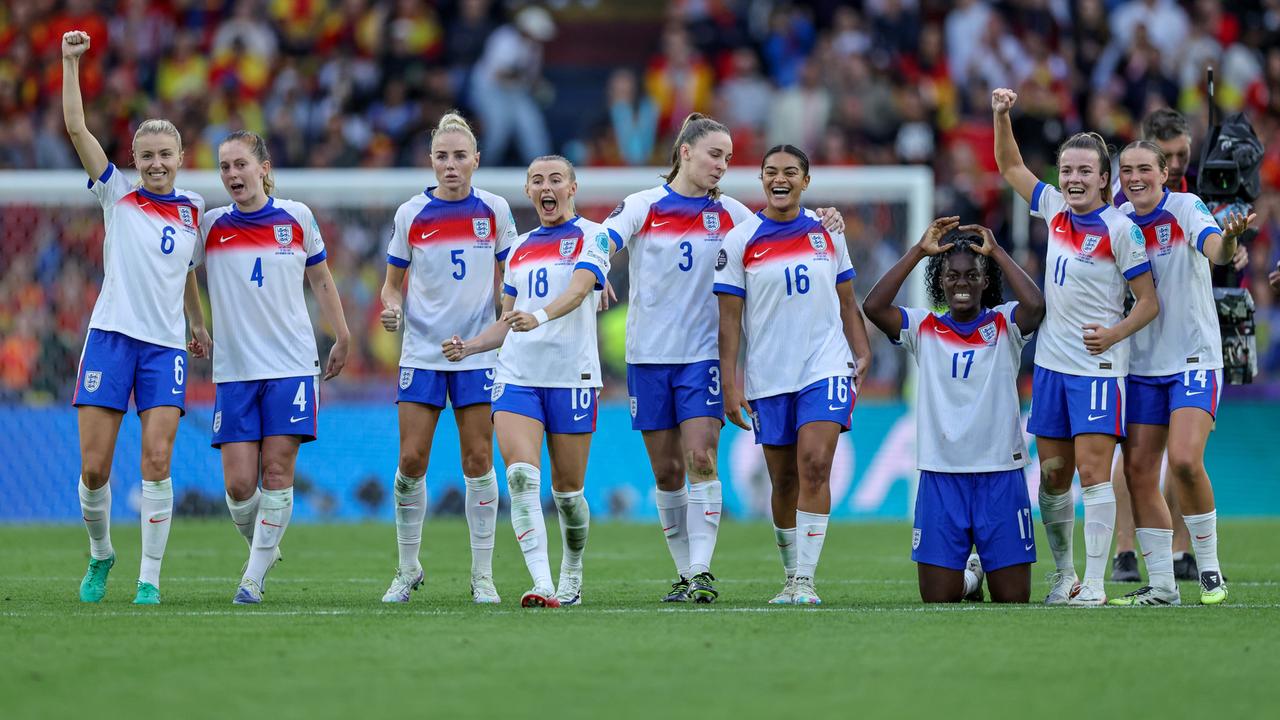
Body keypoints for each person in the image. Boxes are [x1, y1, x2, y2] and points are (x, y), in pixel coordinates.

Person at [601, 113, 845, 603]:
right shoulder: (645, 205)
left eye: (729, 159)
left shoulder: (732, 214)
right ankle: (683, 572)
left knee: (701, 457)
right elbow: (605, 237)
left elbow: (784, 226)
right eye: (715, 154)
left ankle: (700, 571)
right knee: (666, 473)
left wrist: (826, 220)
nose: (722, 165)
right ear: (685, 151)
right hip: (648, 357)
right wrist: (596, 265)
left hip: (702, 358)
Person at [992, 87, 1159, 606]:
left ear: (1105, 178)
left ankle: (1096, 583)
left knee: (1092, 474)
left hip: (1097, 370)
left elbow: (1149, 302)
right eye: (1067, 170)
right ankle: (1065, 576)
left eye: (1085, 171)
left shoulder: (1121, 230)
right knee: (1053, 476)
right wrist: (1001, 115)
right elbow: (1010, 165)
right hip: (1050, 367)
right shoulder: (1055, 210)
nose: (1074, 179)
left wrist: (1114, 334)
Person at [63, 30, 210, 605]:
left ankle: (149, 578)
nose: (155, 163)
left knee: (157, 459)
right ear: (133, 159)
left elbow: (187, 270)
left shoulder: (194, 208)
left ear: (180, 159)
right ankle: (102, 553)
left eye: (164, 155)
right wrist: (71, 63)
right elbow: (77, 128)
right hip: (110, 339)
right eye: (146, 155)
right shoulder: (117, 195)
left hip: (164, 348)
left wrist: (197, 323)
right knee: (95, 468)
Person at [442, 155, 613, 608]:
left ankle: (571, 570)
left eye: (556, 179)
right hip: (517, 376)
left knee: (569, 496)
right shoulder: (519, 248)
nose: (546, 187)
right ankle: (542, 582)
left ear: (572, 188)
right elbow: (507, 320)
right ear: (528, 191)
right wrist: (471, 346)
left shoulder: (594, 236)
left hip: (572, 376)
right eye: (537, 180)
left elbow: (579, 290)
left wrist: (537, 317)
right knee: (519, 478)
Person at [714, 144, 872, 606]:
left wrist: (862, 350)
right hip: (769, 376)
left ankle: (805, 580)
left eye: (789, 172)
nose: (778, 179)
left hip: (825, 366)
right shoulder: (740, 241)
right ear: (761, 179)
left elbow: (847, 300)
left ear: (806, 181)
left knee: (815, 465)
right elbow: (729, 322)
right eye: (770, 172)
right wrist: (729, 384)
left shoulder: (828, 232)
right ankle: (789, 576)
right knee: (782, 480)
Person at [201, 130, 350, 605]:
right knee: (239, 485)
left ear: (263, 168)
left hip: (291, 365)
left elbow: (321, 279)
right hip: (235, 369)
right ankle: (264, 548)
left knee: (279, 470)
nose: (232, 174)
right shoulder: (210, 226)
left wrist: (342, 334)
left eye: (240, 164)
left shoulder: (296, 217)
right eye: (225, 167)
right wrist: (195, 322)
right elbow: (178, 272)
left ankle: (252, 578)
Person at [864, 218, 1046, 603]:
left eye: (971, 275)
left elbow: (1036, 305)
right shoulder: (922, 327)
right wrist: (918, 251)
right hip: (941, 474)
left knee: (1013, 598)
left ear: (985, 281)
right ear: (940, 281)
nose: (961, 283)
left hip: (1000, 472)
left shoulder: (1005, 323)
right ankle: (971, 578)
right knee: (938, 597)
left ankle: (983, 567)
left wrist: (997, 252)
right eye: (952, 275)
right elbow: (874, 306)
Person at [378, 112, 518, 605]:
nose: (451, 164)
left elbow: (514, 277)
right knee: (411, 460)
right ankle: (407, 568)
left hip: (477, 355)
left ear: (476, 160)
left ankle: (482, 576)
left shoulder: (495, 210)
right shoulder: (411, 214)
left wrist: (503, 320)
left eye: (460, 156)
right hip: (422, 353)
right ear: (431, 161)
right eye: (442, 156)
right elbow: (391, 286)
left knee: (478, 460)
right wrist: (392, 310)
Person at [1109, 108, 1248, 583]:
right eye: (1128, 170)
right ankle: (1160, 580)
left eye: (1145, 169)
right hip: (1140, 363)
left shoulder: (1187, 207)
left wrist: (1229, 242)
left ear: (1164, 172)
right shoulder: (1116, 220)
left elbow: (1214, 248)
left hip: (1192, 357)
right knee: (1138, 471)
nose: (1136, 177)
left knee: (1186, 460)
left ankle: (1207, 567)